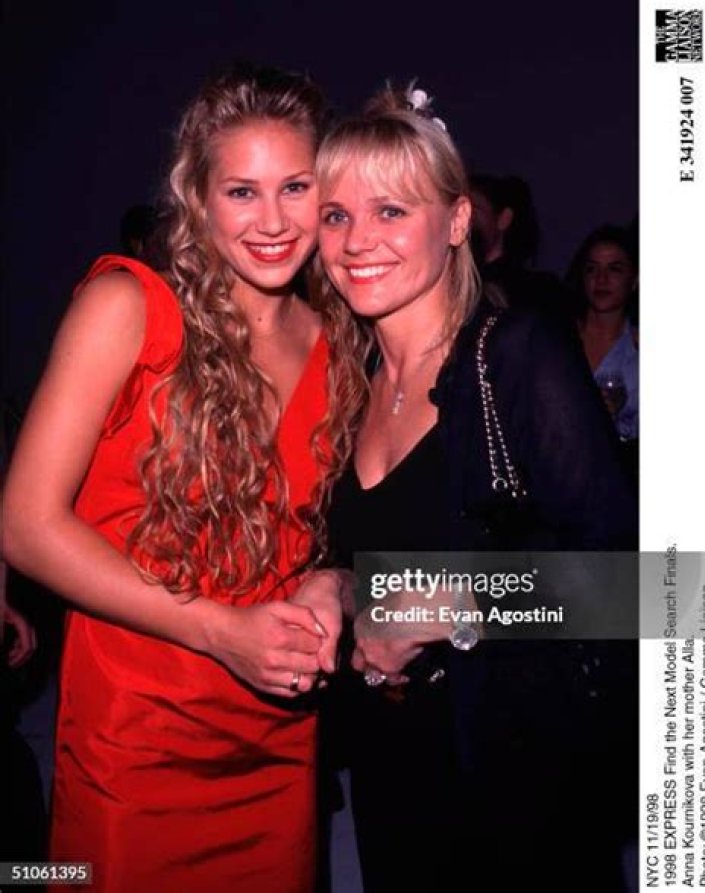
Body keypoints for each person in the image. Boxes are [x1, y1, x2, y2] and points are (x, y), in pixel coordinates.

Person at [3, 62, 363, 893]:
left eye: (296, 187)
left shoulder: (342, 344)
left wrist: (330, 585)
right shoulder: (127, 309)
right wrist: (217, 630)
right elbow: (24, 525)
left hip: (277, 744)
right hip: (134, 744)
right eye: (241, 191)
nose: (272, 221)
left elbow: (326, 538)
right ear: (198, 199)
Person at [315, 84, 637, 892]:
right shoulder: (347, 382)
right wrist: (338, 588)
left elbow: (652, 589)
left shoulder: (513, 355)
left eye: (392, 210)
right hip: (393, 776)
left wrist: (446, 606)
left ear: (458, 222)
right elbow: (383, 567)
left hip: (519, 786)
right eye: (336, 214)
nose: (358, 240)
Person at [567, 223, 639, 442]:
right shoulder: (558, 339)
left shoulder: (637, 350)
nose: (601, 279)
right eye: (592, 269)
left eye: (614, 269)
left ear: (634, 280)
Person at [469, 172, 573, 322]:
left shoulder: (537, 290)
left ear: (504, 219)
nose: (465, 219)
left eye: (474, 209)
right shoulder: (450, 281)